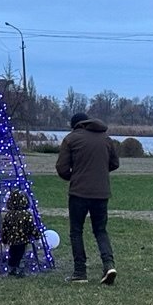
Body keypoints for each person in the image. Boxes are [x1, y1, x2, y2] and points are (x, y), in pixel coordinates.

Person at [56, 111, 120, 284]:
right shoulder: (106, 138)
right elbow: (115, 163)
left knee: (76, 231)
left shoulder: (71, 139)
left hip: (79, 193)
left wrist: (75, 176)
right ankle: (109, 265)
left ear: (75, 125)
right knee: (100, 230)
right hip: (102, 193)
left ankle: (80, 272)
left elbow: (62, 168)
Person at [0, 189, 38, 278]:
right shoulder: (27, 215)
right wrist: (36, 235)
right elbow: (31, 227)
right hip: (23, 240)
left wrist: (4, 239)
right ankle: (20, 270)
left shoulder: (8, 215)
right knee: (21, 255)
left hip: (12, 240)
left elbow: (5, 228)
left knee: (12, 254)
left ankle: (12, 269)